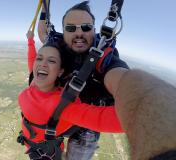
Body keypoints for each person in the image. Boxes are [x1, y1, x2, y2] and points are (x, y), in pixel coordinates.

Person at [38, 1, 129, 159]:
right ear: (64, 31)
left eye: (86, 27)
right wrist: (44, 11)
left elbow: (120, 78)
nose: (78, 33)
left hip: (88, 122)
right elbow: (43, 32)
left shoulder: (104, 56)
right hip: (59, 114)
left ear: (94, 30)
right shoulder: (56, 47)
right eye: (71, 28)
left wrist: (138, 95)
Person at [17, 31, 124, 160]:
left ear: (60, 71)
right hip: (34, 145)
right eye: (39, 59)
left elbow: (120, 121)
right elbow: (32, 64)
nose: (42, 64)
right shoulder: (35, 83)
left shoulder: (62, 106)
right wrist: (30, 41)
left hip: (44, 151)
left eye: (51, 61)